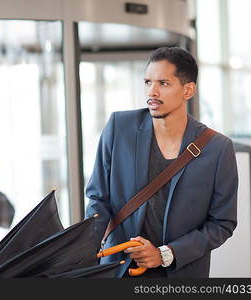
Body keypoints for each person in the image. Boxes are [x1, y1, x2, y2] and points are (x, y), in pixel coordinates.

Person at [85, 47, 238, 278]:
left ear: (188, 90)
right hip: (117, 269)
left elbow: (222, 223)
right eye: (148, 82)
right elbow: (98, 198)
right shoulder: (119, 127)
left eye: (163, 83)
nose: (152, 91)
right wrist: (85, 248)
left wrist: (164, 254)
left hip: (180, 272)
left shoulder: (217, 148)